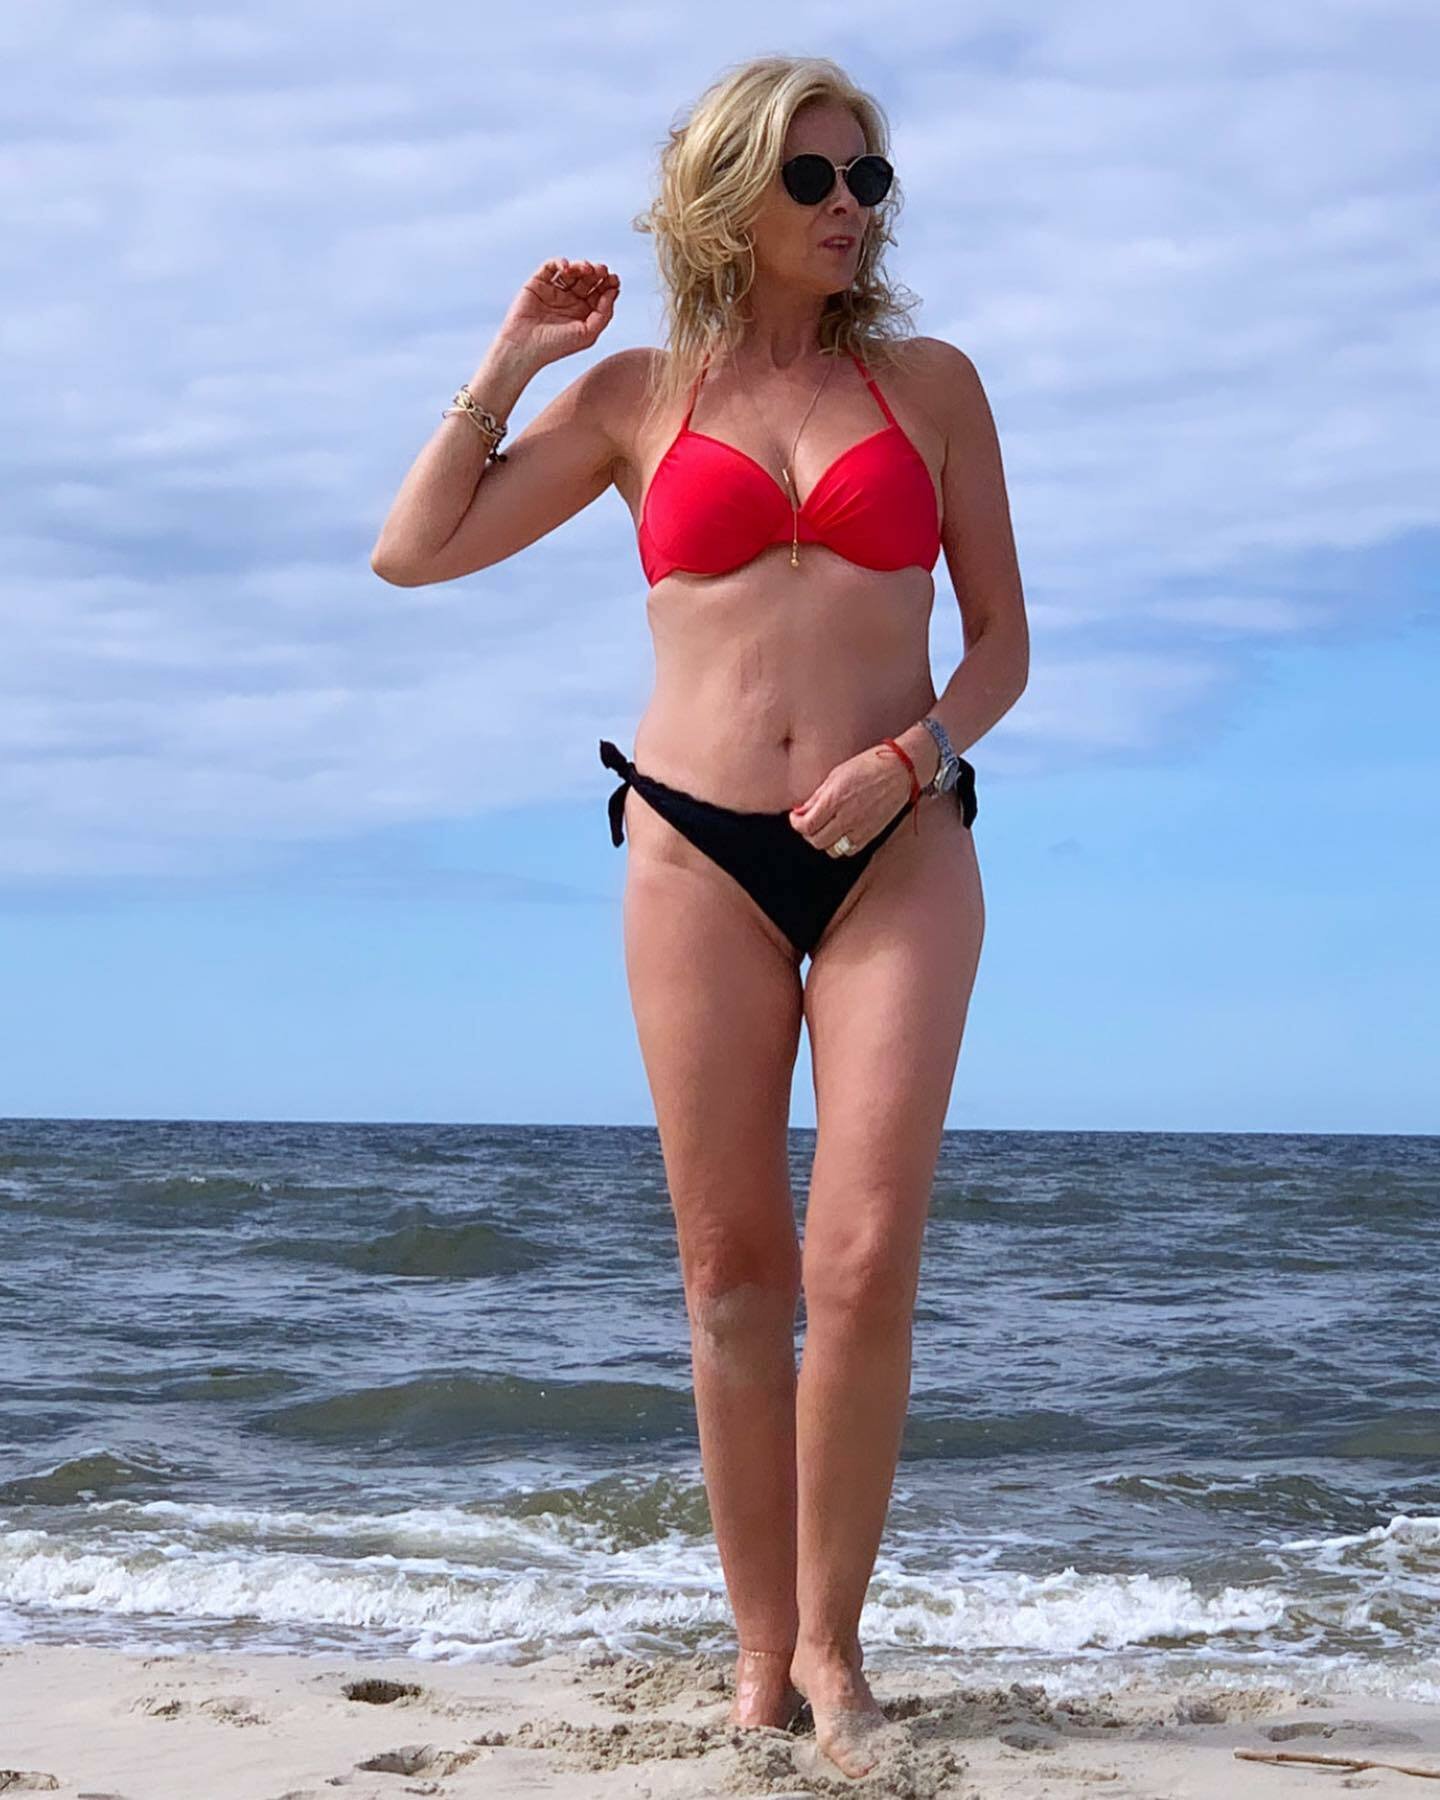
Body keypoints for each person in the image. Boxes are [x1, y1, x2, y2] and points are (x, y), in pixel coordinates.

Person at [371, 52, 1028, 1781]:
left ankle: (834, 1648)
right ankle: (755, 1658)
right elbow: (412, 552)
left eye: (868, 180)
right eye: (813, 178)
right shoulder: (633, 402)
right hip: (691, 850)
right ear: (730, 195)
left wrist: (912, 758)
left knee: (861, 1261)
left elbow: (1003, 645)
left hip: (901, 842)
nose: (847, 207)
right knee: (734, 1275)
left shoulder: (934, 386)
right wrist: (513, 362)